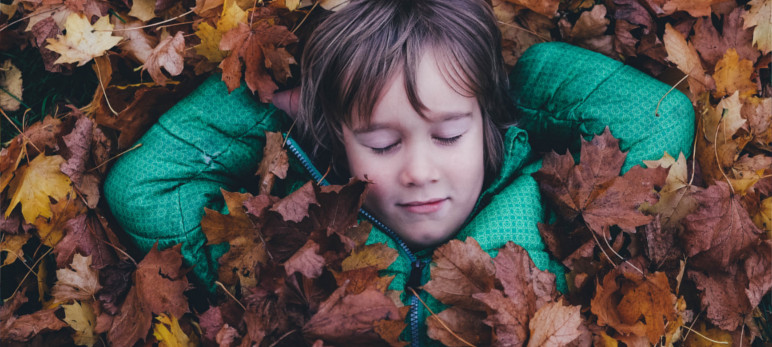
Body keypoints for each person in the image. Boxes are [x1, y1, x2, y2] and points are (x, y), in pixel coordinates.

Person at [103, 0, 695, 345]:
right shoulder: (290, 242)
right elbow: (142, 187)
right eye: (382, 142)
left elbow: (660, 119)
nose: (419, 170)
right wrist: (272, 101)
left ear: (486, 121)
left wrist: (517, 85)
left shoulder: (552, 208)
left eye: (448, 134)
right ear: (338, 141)